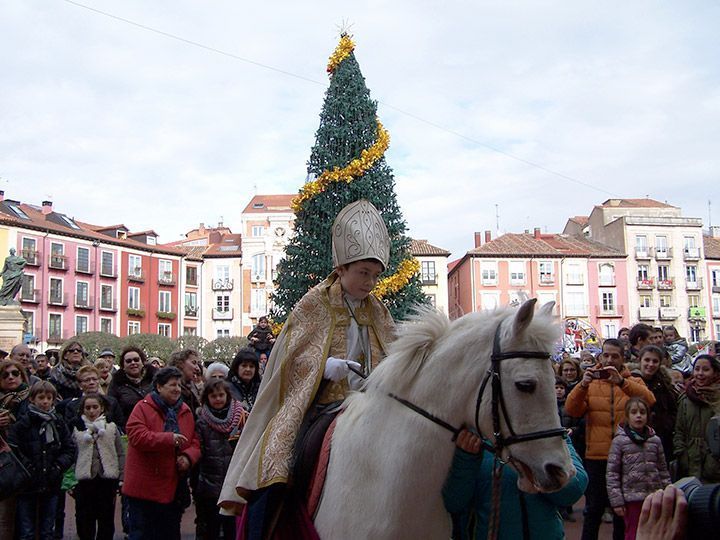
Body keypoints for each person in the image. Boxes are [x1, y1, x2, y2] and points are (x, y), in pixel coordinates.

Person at [219, 199, 396, 534]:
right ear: (341, 268)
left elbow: (395, 355)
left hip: (372, 405)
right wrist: (323, 368)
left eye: (374, 275)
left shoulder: (380, 311)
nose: (370, 282)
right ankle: (264, 526)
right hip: (319, 404)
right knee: (278, 459)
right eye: (363, 273)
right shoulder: (314, 302)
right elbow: (289, 359)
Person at [565, 338, 656, 540]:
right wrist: (582, 385)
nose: (609, 359)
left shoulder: (633, 380)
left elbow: (649, 401)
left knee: (621, 511)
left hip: (627, 456)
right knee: (593, 509)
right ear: (600, 356)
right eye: (606, 355)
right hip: (596, 456)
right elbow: (572, 409)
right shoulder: (590, 383)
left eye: (615, 356)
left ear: (622, 358)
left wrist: (622, 382)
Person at [442, 429, 588, 539]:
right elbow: (454, 502)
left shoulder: (550, 434)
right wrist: (466, 459)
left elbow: (573, 491)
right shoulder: (471, 439)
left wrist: (542, 475)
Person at [122, 367, 201, 540]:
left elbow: (194, 441)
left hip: (172, 487)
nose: (177, 389)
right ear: (159, 387)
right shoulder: (142, 408)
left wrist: (188, 457)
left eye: (179, 385)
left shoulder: (185, 410)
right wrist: (168, 439)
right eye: (172, 385)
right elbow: (137, 436)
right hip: (143, 488)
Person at [8, 381, 76, 540]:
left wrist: (58, 466)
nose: (45, 401)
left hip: (52, 482)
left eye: (49, 398)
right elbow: (15, 449)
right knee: (27, 531)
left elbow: (69, 448)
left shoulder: (58, 422)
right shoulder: (23, 423)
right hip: (27, 483)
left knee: (47, 529)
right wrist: (28, 469)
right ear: (32, 399)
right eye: (41, 397)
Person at [606, 397, 671, 540]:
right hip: (631, 498)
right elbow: (612, 473)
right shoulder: (619, 441)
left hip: (654, 496)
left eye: (642, 412)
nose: (638, 416)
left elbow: (663, 469)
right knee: (633, 532)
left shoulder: (655, 440)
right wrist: (617, 501)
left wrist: (668, 491)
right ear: (627, 416)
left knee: (655, 531)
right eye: (634, 412)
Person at [194, 379, 246, 540]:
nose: (218, 399)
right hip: (211, 484)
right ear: (206, 398)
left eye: (221, 395)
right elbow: (199, 451)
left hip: (233, 482)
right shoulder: (202, 422)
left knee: (232, 528)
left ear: (227, 396)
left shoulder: (240, 418)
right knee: (212, 528)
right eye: (213, 396)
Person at [70, 393, 125, 540]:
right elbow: (72, 454)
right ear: (83, 409)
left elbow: (120, 452)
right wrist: (69, 480)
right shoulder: (77, 429)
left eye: (95, 407)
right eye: (88, 408)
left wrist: (121, 476)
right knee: (84, 517)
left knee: (106, 517)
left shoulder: (111, 428)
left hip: (106, 478)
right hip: (84, 479)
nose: (91, 411)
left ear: (102, 409)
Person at [673, 354, 720, 483]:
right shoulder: (686, 398)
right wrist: (681, 454)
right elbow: (679, 430)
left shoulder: (718, 397)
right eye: (697, 369)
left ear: (715, 372)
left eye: (705, 369)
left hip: (715, 466)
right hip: (690, 463)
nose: (700, 373)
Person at [0, 358, 31, 538]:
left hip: (28, 463)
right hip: (6, 467)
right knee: (5, 518)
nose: (11, 377)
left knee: (27, 520)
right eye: (5, 375)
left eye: (15, 373)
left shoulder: (33, 397)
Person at [632, 345, 678, 461]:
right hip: (635, 438)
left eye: (655, 361)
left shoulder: (664, 384)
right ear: (640, 360)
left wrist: (666, 425)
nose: (651, 364)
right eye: (647, 360)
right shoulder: (630, 382)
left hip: (661, 438)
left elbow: (672, 409)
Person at [107, 347, 157, 430]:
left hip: (156, 426)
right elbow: (112, 408)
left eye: (136, 360)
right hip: (130, 428)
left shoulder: (155, 378)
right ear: (123, 366)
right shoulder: (116, 383)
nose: (133, 363)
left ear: (142, 362)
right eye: (128, 361)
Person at [226, 348, 261, 413]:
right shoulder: (226, 389)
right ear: (236, 368)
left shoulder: (260, 389)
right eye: (244, 366)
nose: (248, 369)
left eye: (251, 366)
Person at [169, 349, 201, 416]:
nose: (198, 368)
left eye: (198, 364)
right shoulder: (168, 389)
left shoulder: (193, 388)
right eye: (194, 363)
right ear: (180, 363)